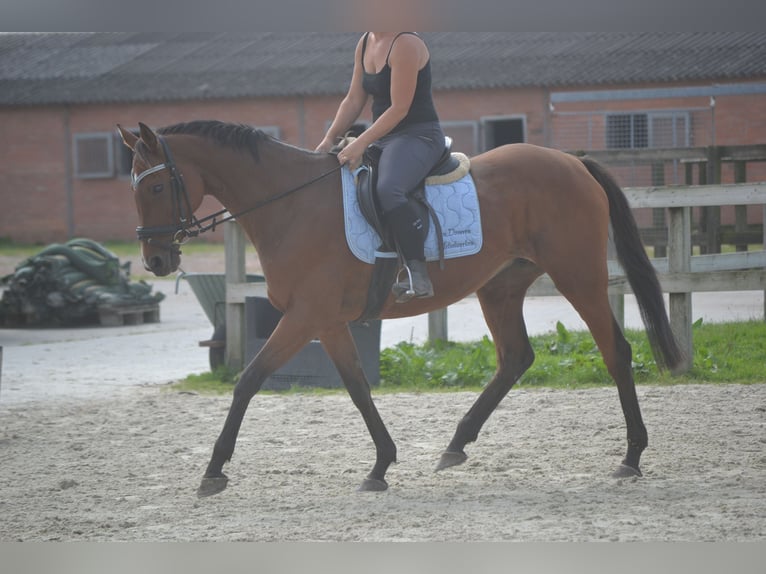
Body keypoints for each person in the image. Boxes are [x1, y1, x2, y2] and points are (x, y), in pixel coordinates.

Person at [316, 32, 446, 303]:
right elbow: (353, 99)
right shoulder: (365, 42)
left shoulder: (406, 44)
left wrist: (360, 143)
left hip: (418, 135)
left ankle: (417, 271)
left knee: (389, 189)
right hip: (384, 138)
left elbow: (399, 108)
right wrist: (329, 138)